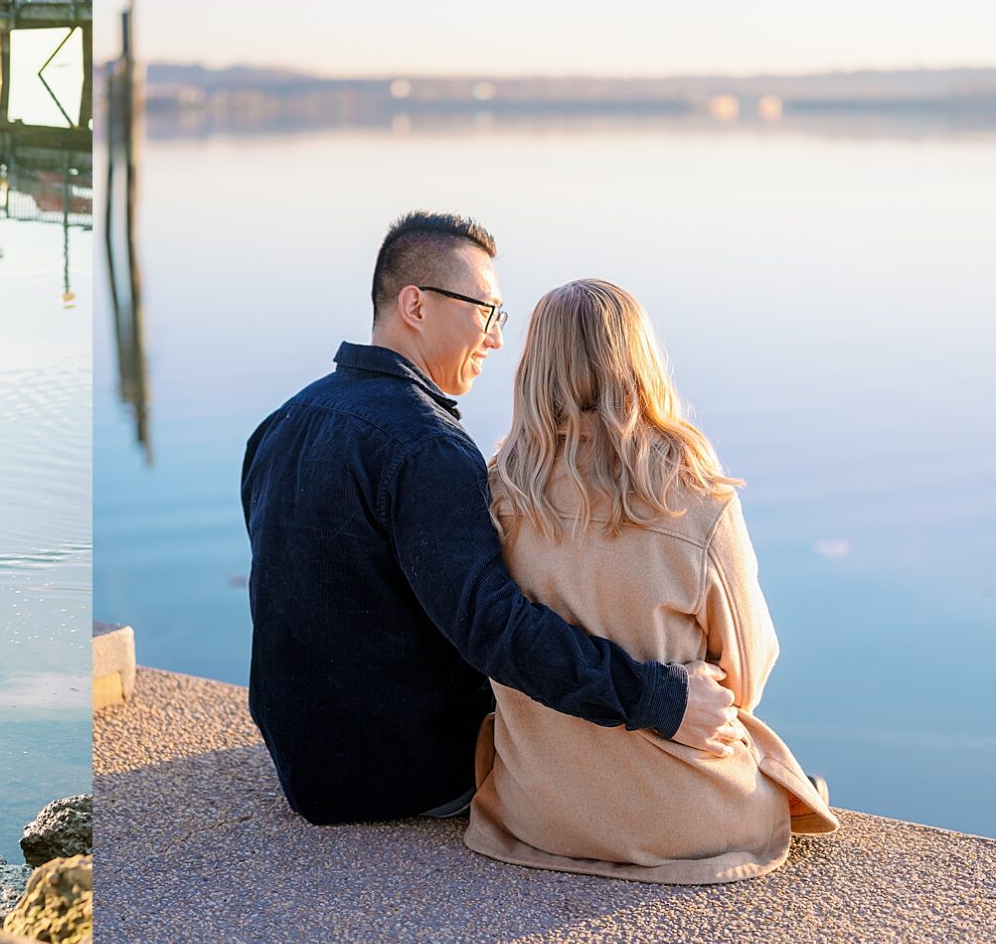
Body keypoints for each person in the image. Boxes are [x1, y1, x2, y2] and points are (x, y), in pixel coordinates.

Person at [242, 210, 741, 824]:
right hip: (408, 773)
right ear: (415, 306)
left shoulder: (283, 422)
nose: (498, 339)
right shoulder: (426, 448)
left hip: (303, 762)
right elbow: (492, 626)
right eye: (486, 312)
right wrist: (657, 699)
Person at [466, 280, 838, 883]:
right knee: (773, 768)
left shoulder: (499, 492)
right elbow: (749, 670)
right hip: (688, 822)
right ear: (639, 360)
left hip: (538, 814)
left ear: (535, 367)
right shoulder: (694, 496)